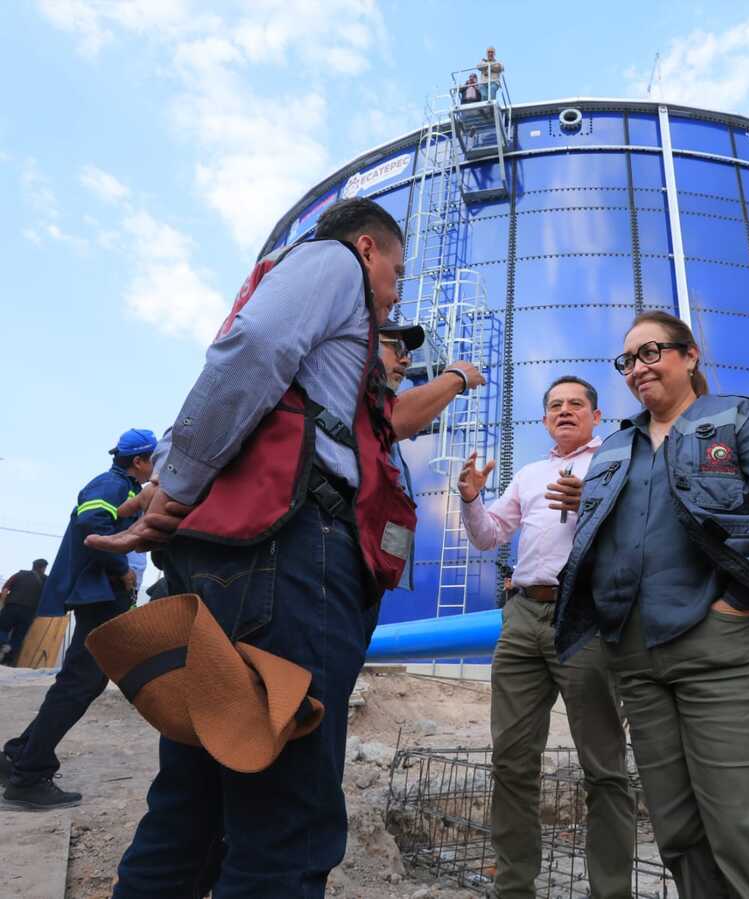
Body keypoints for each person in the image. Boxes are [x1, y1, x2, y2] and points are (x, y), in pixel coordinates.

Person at [88, 197, 484, 897]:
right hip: (290, 563)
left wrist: (177, 480)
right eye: (396, 273)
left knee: (194, 806)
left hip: (250, 563)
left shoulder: (331, 379)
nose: (394, 295)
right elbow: (254, 348)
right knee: (287, 821)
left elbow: (239, 376)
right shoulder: (331, 264)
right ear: (366, 249)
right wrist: (176, 482)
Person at [554, 310, 749, 898]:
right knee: (677, 832)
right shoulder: (615, 448)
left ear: (689, 356)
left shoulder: (736, 421)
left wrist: (738, 606)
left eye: (651, 353)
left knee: (743, 832)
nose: (637, 368)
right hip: (637, 658)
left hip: (724, 652)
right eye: (628, 360)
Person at [458, 375, 635, 899]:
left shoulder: (617, 462)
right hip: (522, 618)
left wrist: (594, 502)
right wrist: (471, 500)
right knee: (511, 760)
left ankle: (610, 892)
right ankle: (515, 888)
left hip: (584, 617)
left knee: (602, 766)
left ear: (596, 415)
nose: (564, 411)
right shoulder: (531, 474)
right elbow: (491, 535)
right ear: (544, 420)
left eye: (576, 404)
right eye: (555, 405)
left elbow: (640, 533)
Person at [0, 430, 154, 809]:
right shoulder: (111, 484)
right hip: (101, 595)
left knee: (81, 681)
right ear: (138, 461)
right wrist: (121, 569)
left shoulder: (126, 488)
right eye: (155, 460)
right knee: (80, 683)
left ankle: (20, 754)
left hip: (102, 595)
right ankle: (29, 776)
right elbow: (92, 525)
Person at [379, 314, 485, 592]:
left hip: (369, 576)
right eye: (397, 348)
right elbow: (392, 418)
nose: (406, 360)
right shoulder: (345, 397)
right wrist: (457, 377)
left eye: (410, 354)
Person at [0, 559, 49, 665]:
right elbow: (47, 598)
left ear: (33, 566)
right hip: (29, 612)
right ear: (43, 568)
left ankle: (2, 644)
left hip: (11, 607)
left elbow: (5, 590)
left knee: (2, 629)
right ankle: (8, 660)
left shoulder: (19, 574)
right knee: (19, 636)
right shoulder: (46, 580)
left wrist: (3, 605)